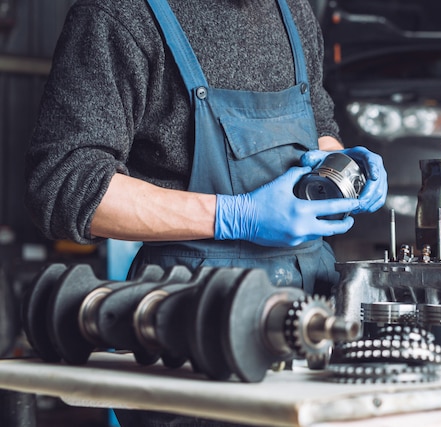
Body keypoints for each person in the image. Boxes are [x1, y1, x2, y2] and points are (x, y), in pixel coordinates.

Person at [25, 0, 387, 425]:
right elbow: (64, 185)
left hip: (313, 318)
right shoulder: (120, 14)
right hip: (191, 331)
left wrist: (344, 167)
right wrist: (237, 215)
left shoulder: (292, 10)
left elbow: (320, 125)